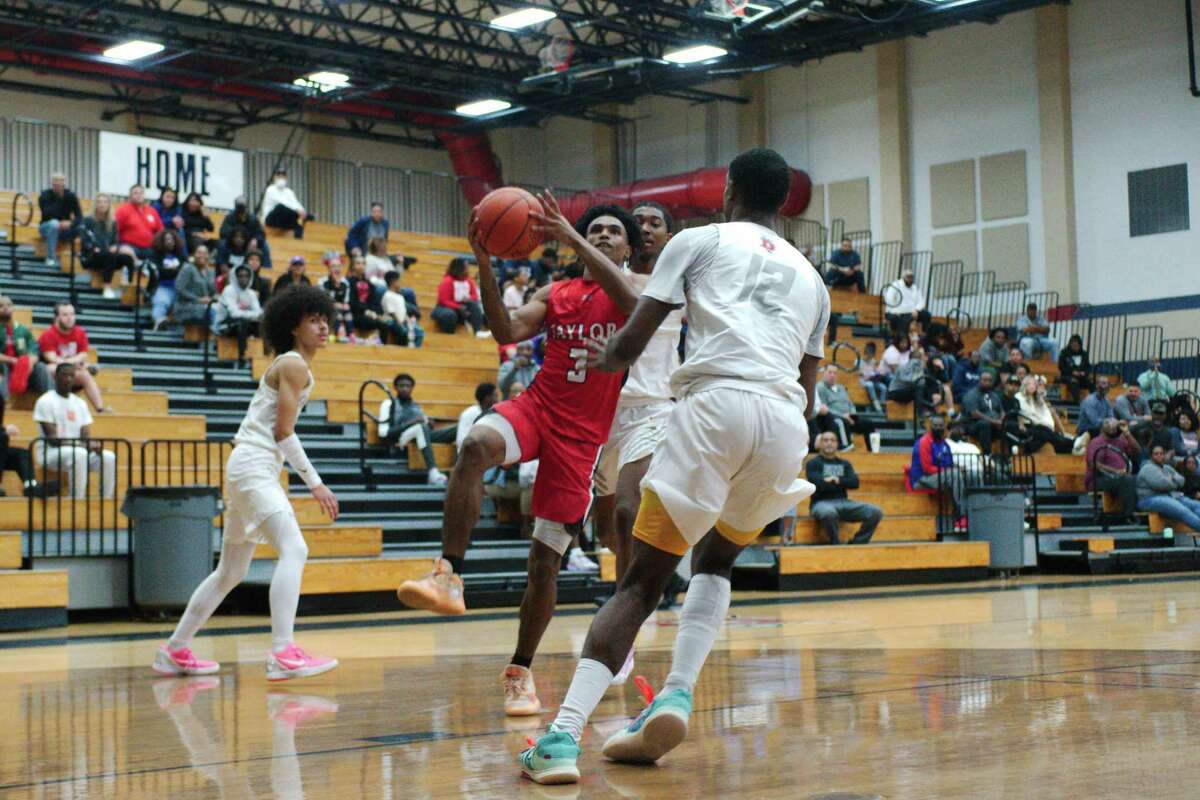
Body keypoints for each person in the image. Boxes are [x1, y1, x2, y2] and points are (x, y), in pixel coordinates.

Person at [518, 149, 829, 783]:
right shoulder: (815, 280)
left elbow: (633, 337)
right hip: (783, 425)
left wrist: (609, 357)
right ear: (784, 201)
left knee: (640, 582)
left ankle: (560, 737)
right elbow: (811, 387)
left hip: (714, 407)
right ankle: (678, 692)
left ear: (731, 191)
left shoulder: (700, 239)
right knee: (714, 561)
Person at [398, 195, 641, 723]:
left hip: (582, 441)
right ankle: (449, 575)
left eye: (612, 232)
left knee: (544, 562)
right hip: (538, 407)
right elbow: (507, 331)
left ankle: (520, 671)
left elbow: (631, 306)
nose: (601, 235)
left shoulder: (639, 290)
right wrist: (484, 262)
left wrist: (571, 237)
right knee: (473, 447)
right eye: (592, 229)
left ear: (628, 246)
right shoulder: (555, 291)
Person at [154, 287, 340, 680]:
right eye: (313, 320)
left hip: (250, 466)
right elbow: (283, 432)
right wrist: (316, 483)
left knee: (231, 572)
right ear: (293, 326)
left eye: (326, 319)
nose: (323, 326)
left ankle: (174, 650)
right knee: (295, 548)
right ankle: (282, 652)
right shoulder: (293, 364)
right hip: (254, 463)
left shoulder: (296, 366)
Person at [589, 200, 688, 677]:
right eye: (641, 223)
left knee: (630, 510)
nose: (647, 229)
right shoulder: (609, 282)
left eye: (656, 223)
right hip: (600, 411)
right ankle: (627, 587)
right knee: (605, 528)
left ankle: (620, 629)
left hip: (652, 408)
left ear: (669, 236)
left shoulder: (683, 287)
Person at [33, 363, 116, 499]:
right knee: (80, 454)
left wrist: (93, 445)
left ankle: (106, 500)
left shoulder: (80, 403)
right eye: (64, 375)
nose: (68, 379)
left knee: (108, 457)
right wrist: (83, 445)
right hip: (50, 453)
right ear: (56, 378)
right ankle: (76, 499)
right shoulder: (45, 401)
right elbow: (53, 440)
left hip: (76, 450)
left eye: (71, 376)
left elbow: (85, 435)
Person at [806, 432, 882, 544]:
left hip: (844, 502)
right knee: (828, 512)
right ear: (820, 444)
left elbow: (854, 483)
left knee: (875, 512)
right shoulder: (812, 463)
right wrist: (841, 482)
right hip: (820, 503)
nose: (829, 443)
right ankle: (835, 544)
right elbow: (816, 484)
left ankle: (858, 543)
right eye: (825, 440)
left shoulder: (845, 464)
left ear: (837, 444)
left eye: (832, 440)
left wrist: (836, 480)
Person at [376, 374, 452, 485]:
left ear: (412, 388)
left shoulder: (415, 405)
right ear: (395, 387)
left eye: (408, 386)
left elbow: (423, 424)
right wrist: (411, 423)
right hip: (401, 439)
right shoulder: (388, 404)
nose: (405, 388)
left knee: (456, 429)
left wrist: (429, 422)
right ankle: (433, 472)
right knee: (420, 427)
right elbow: (383, 433)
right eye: (401, 386)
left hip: (421, 435)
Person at [37, 302, 110, 413]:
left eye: (72, 314)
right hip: (55, 373)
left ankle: (100, 409)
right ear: (57, 317)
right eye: (65, 315)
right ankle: (54, 406)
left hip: (72, 371)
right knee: (51, 368)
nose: (69, 318)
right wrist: (71, 363)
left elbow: (83, 354)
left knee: (85, 374)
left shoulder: (80, 333)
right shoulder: (48, 334)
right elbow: (50, 357)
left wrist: (73, 364)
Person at [909, 415, 969, 522]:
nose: (938, 428)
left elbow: (949, 463)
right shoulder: (924, 442)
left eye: (941, 425)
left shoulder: (944, 443)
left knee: (968, 474)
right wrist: (949, 471)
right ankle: (960, 513)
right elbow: (927, 469)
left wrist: (957, 468)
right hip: (922, 479)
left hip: (939, 476)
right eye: (935, 425)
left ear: (944, 427)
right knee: (954, 475)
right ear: (930, 426)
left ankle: (971, 509)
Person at [79, 194, 135, 299]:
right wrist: (93, 248)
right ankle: (107, 287)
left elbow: (115, 241)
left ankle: (129, 285)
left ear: (109, 205)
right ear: (95, 204)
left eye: (105, 202)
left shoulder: (113, 222)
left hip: (108, 255)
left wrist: (115, 247)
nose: (102, 204)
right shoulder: (87, 220)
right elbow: (85, 240)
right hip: (91, 256)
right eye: (99, 202)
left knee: (127, 258)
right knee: (110, 256)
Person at [0, 295, 51, 406]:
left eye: (9, 305)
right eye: (1, 306)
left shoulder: (22, 330)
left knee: (41, 367)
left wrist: (29, 361)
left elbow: (34, 349)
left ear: (13, 308)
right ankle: (4, 402)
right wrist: (12, 360)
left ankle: (50, 400)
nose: (5, 308)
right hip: (4, 367)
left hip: (23, 369)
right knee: (3, 367)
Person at [1085, 418, 1141, 520]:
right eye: (1108, 423)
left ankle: (1142, 511)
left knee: (1139, 479)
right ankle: (1128, 516)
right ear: (1102, 427)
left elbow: (1137, 451)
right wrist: (1116, 472)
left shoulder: (1119, 441)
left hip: (1118, 478)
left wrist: (1127, 433)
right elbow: (1093, 464)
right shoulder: (1096, 442)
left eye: (1114, 423)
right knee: (1127, 480)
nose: (1112, 425)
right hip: (1098, 479)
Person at [1136, 445, 1200, 529]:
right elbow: (1162, 485)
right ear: (1151, 456)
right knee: (1183, 511)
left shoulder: (1166, 468)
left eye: (1161, 453)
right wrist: (1173, 482)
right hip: (1149, 499)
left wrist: (1171, 479)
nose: (1159, 456)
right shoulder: (1147, 468)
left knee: (1197, 505)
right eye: (1156, 454)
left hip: (1169, 496)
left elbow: (1182, 480)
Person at [816, 366, 876, 451]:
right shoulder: (820, 388)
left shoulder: (841, 387)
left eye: (835, 373)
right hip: (832, 418)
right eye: (830, 372)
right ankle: (845, 447)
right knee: (841, 422)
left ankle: (872, 450)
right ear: (824, 373)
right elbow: (824, 409)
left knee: (868, 423)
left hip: (849, 417)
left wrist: (852, 415)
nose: (832, 375)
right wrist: (843, 416)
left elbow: (850, 403)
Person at [217, 264, 264, 367]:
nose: (244, 278)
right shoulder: (229, 290)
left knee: (263, 323)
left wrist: (249, 315)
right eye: (241, 276)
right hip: (224, 325)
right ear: (235, 277)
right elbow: (234, 313)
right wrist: (251, 314)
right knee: (243, 323)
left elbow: (259, 312)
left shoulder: (251, 293)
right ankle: (242, 358)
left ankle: (262, 359)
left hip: (243, 323)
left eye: (247, 276)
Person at [1015, 375, 1073, 454]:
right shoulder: (1018, 397)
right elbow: (1024, 414)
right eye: (1029, 384)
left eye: (1034, 384)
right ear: (1024, 385)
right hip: (1028, 426)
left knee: (1046, 432)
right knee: (1047, 432)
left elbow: (1046, 415)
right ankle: (1069, 444)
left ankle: (1066, 444)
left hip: (1041, 427)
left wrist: (1046, 424)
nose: (1032, 386)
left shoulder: (1038, 399)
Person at [431, 258, 486, 336]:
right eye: (466, 267)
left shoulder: (469, 281)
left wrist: (469, 299)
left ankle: (478, 331)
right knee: (449, 314)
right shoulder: (447, 281)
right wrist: (458, 306)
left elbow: (475, 296)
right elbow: (443, 300)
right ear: (459, 268)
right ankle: (449, 334)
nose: (468, 269)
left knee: (474, 306)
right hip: (445, 308)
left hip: (462, 308)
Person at [37, 172, 82, 267]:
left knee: (83, 226)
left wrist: (71, 223)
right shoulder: (44, 195)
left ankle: (77, 257)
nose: (58, 184)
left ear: (64, 183)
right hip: (46, 227)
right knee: (54, 224)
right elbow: (47, 213)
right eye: (56, 181)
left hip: (65, 228)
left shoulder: (71, 196)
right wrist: (59, 198)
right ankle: (51, 257)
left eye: (61, 181)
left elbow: (79, 216)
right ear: (52, 183)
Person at [146, 229, 186, 329]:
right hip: (163, 287)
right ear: (161, 241)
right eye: (167, 239)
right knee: (161, 301)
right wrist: (175, 271)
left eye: (172, 239)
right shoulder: (155, 255)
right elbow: (159, 272)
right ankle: (159, 320)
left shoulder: (181, 255)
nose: (170, 241)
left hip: (180, 289)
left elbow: (185, 272)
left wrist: (168, 271)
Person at [115, 184, 163, 262]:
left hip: (149, 248)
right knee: (126, 253)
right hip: (130, 247)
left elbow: (160, 231)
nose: (139, 195)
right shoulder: (123, 210)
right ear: (130, 196)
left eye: (141, 193)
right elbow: (115, 231)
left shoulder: (152, 211)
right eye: (135, 193)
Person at [220, 195, 271, 266]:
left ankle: (266, 268)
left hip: (249, 243)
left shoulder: (253, 218)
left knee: (265, 245)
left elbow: (261, 234)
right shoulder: (229, 217)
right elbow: (223, 233)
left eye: (243, 207)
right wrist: (234, 237)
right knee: (222, 243)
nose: (241, 210)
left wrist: (256, 239)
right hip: (233, 243)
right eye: (239, 207)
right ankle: (221, 264)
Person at [962, 370, 1005, 454]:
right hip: (973, 425)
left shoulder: (994, 395)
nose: (987, 382)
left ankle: (1006, 457)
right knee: (984, 424)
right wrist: (995, 422)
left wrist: (1002, 420)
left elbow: (1001, 411)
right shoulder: (971, 395)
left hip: (993, 425)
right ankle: (987, 455)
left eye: (989, 380)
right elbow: (975, 414)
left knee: (1009, 425)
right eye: (985, 380)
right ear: (979, 380)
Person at [345, 255, 386, 345]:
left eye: (363, 263)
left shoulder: (369, 283)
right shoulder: (348, 282)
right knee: (373, 322)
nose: (361, 266)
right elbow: (351, 302)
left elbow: (374, 301)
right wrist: (366, 311)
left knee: (385, 323)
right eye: (358, 263)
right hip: (355, 313)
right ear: (352, 266)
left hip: (368, 314)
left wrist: (377, 313)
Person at [175, 246, 219, 328]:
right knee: (212, 311)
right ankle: (215, 336)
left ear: (208, 256)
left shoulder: (210, 272)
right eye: (199, 252)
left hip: (206, 305)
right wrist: (198, 299)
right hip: (187, 306)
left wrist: (215, 297)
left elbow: (213, 291)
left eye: (205, 253)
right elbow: (179, 289)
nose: (202, 255)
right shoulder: (188, 268)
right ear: (194, 255)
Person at [260, 169, 310, 239]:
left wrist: (302, 212)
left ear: (286, 178)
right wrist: (297, 211)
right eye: (279, 176)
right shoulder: (270, 189)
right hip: (271, 219)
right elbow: (282, 203)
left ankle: (298, 237)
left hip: (284, 220)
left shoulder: (289, 192)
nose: (281, 178)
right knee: (280, 208)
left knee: (304, 217)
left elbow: (297, 204)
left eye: (283, 176)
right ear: (274, 177)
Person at [380, 271, 424, 347]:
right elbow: (392, 313)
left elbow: (403, 312)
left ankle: (415, 350)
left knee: (419, 332)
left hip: (403, 321)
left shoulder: (400, 296)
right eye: (399, 281)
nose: (400, 283)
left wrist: (408, 321)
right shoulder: (388, 295)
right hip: (392, 321)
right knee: (404, 332)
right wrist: (401, 325)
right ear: (393, 282)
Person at [884, 269, 930, 336]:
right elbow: (889, 300)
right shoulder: (896, 285)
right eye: (908, 277)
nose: (910, 279)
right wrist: (898, 311)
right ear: (903, 277)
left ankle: (925, 334)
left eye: (911, 277)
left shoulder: (915, 287)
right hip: (897, 311)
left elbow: (921, 302)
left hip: (912, 311)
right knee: (905, 319)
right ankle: (902, 337)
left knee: (926, 314)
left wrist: (916, 310)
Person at [319, 254, 354, 342]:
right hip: (326, 306)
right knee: (337, 311)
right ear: (329, 268)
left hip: (341, 308)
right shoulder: (323, 281)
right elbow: (323, 298)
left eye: (338, 266)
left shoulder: (345, 282)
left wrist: (343, 304)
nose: (336, 268)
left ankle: (350, 334)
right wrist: (334, 303)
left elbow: (346, 300)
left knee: (347, 311)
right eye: (333, 266)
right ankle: (334, 333)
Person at [456, 383, 500, 453]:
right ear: (487, 398)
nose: (498, 400)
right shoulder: (468, 414)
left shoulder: (495, 415)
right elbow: (461, 441)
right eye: (495, 396)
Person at [1077, 374, 1115, 441]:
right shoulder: (1089, 401)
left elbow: (1111, 416)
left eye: (1107, 384)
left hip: (1101, 427)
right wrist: (1109, 423)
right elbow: (1095, 422)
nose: (1105, 386)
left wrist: (1115, 422)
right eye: (1103, 383)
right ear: (1097, 385)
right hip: (1086, 431)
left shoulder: (1106, 400)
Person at [1057, 334, 1093, 404]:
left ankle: (1094, 401)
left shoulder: (1084, 354)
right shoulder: (1064, 353)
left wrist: (1084, 373)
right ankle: (1077, 402)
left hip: (1081, 377)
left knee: (1091, 383)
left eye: (1077, 346)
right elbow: (1061, 367)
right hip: (1068, 376)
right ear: (1070, 345)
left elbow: (1088, 367)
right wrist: (1072, 372)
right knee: (1073, 382)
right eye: (1074, 346)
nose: (1075, 348)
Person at [152, 187, 187, 252]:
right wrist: (171, 220)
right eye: (167, 197)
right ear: (162, 196)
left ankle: (183, 256)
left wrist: (180, 222)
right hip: (159, 229)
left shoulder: (177, 207)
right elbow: (155, 222)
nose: (170, 200)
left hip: (172, 229)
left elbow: (178, 219)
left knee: (181, 229)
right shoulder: (156, 206)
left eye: (172, 198)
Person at [858, 341, 888, 413]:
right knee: (870, 384)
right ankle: (876, 404)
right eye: (869, 354)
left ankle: (882, 404)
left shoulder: (873, 361)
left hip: (872, 380)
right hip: (863, 380)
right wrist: (866, 376)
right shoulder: (858, 361)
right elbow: (858, 373)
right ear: (866, 353)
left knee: (883, 387)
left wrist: (879, 373)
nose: (870, 357)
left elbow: (875, 371)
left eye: (871, 355)